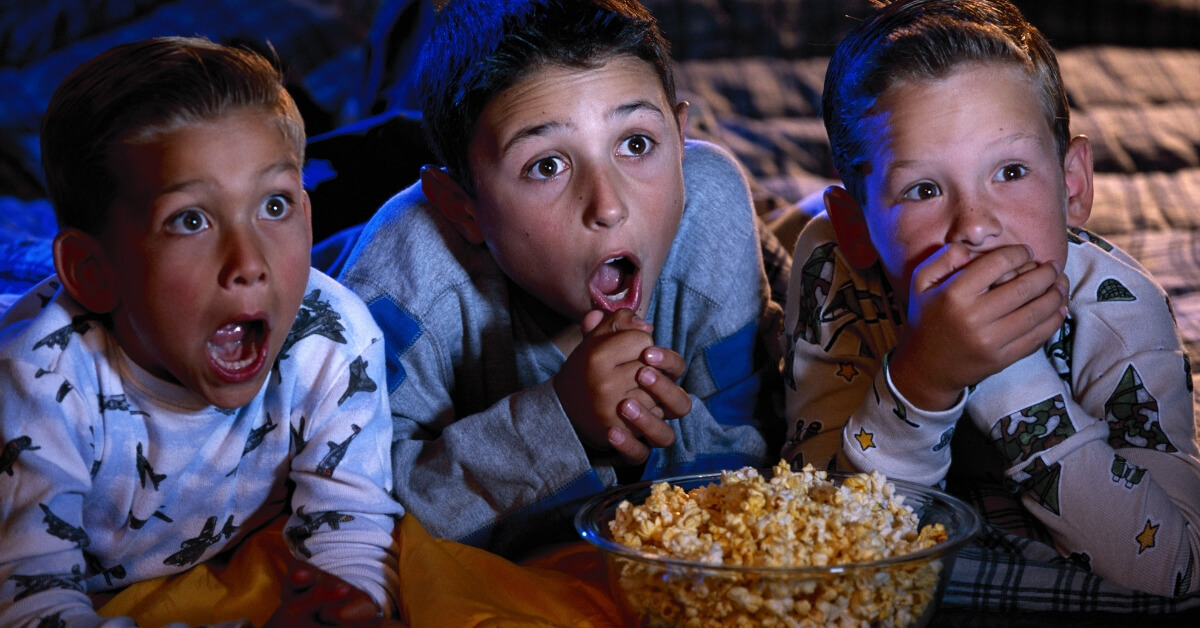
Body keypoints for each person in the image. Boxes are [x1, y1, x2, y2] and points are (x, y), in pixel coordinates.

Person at [782, 0, 1200, 600]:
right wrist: (922, 381)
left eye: (1010, 171)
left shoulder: (1121, 307)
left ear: (1073, 185)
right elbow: (828, 542)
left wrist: (1008, 371)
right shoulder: (834, 267)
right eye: (923, 189)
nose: (975, 226)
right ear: (857, 227)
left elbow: (1174, 568)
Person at [338, 0, 781, 558]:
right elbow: (351, 518)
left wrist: (638, 443)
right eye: (547, 165)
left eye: (637, 143)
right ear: (463, 208)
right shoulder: (402, 281)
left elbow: (755, 457)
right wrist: (559, 422)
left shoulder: (709, 197)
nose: (609, 205)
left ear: (679, 137)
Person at [0, 37, 405, 626]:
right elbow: (28, 604)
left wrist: (345, 606)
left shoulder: (334, 338)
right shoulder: (39, 387)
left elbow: (353, 527)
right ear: (93, 272)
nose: (249, 261)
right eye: (190, 220)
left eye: (274, 206)